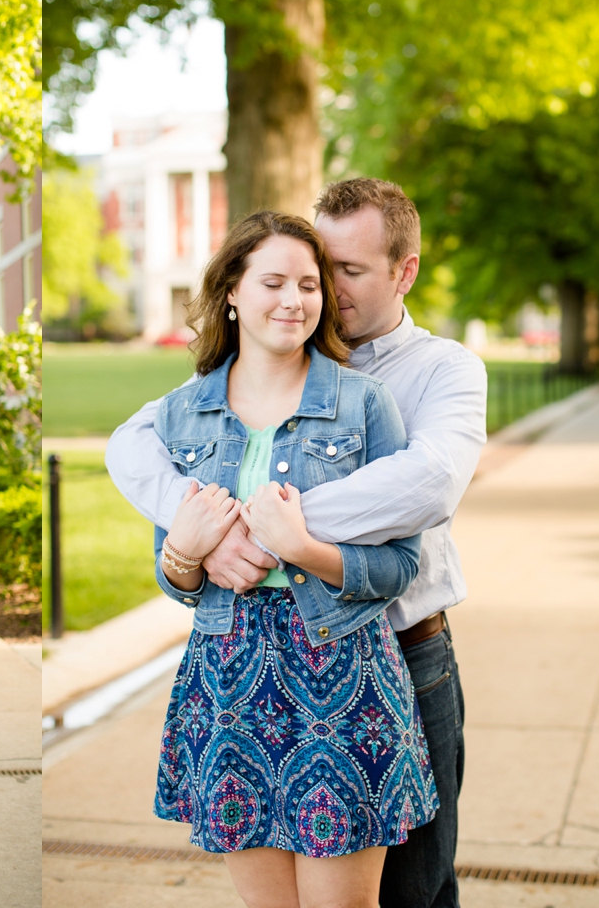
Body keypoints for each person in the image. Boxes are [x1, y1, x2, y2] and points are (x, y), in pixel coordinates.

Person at [107, 178, 487, 908]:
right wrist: (194, 548)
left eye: (340, 273)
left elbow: (431, 484)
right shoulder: (214, 397)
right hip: (238, 677)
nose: (319, 291)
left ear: (403, 271)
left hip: (394, 650)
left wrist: (277, 528)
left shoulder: (435, 372)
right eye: (308, 268)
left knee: (415, 890)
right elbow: (134, 447)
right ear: (234, 293)